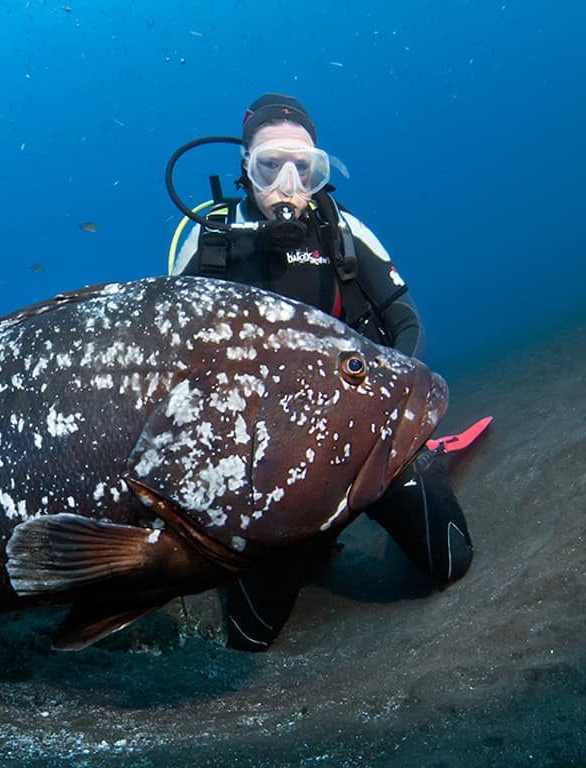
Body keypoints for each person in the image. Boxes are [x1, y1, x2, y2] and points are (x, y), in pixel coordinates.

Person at [170, 93, 474, 652]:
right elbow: (176, 363)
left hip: (365, 435)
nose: (288, 186)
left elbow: (407, 324)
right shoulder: (210, 241)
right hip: (266, 462)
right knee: (251, 635)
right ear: (245, 168)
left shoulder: (343, 232)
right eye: (270, 167)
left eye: (304, 170)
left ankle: (405, 477)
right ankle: (298, 540)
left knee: (450, 557)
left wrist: (397, 428)